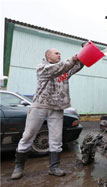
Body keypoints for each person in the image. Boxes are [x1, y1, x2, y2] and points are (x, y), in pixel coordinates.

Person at [11, 48, 84, 179]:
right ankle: (19, 167)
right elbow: (59, 68)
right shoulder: (42, 68)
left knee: (56, 138)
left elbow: (75, 67)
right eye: (56, 53)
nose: (59, 55)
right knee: (28, 135)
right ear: (48, 56)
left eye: (60, 53)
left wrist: (84, 57)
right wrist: (73, 59)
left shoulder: (63, 69)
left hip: (57, 107)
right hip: (40, 105)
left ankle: (54, 167)